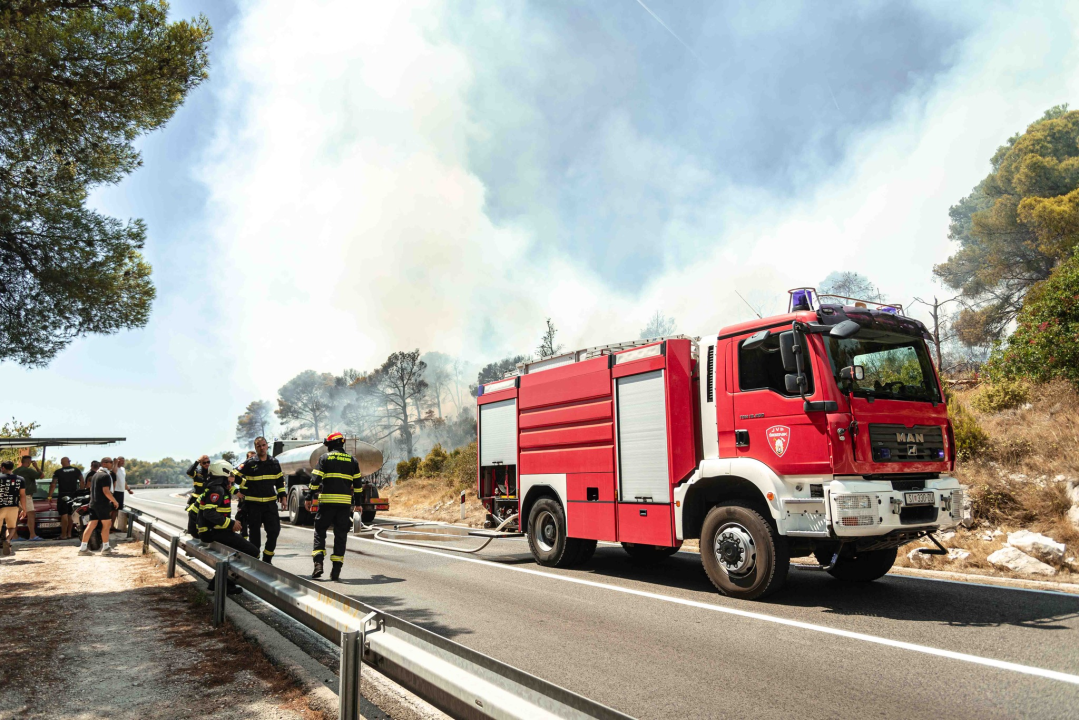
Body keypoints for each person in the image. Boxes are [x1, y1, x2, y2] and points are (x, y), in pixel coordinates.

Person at [196, 460, 258, 595]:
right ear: (223, 473)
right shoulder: (217, 490)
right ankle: (227, 584)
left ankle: (217, 584)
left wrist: (230, 525)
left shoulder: (216, 487)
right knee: (252, 551)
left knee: (237, 551)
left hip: (214, 531)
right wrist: (231, 524)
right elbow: (209, 513)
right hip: (213, 532)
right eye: (230, 474)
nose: (232, 477)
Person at [309, 432, 363, 581]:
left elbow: (315, 479)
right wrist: (358, 504)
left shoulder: (324, 458)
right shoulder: (352, 460)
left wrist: (309, 497)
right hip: (344, 505)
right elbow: (358, 486)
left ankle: (318, 564)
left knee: (320, 532)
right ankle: (336, 570)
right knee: (341, 536)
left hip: (326, 504)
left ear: (331, 444)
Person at [234, 436, 285, 564]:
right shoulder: (249, 463)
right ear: (255, 448)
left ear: (267, 446)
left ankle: (267, 560)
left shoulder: (274, 462)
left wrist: (283, 497)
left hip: (270, 505)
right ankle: (255, 561)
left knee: (274, 531)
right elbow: (234, 475)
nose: (262, 448)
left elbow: (279, 481)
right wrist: (242, 486)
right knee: (254, 535)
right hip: (253, 505)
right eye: (259, 446)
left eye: (263, 445)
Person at [78, 457, 119, 555]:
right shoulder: (105, 476)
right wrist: (114, 501)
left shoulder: (95, 475)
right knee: (106, 525)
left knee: (91, 525)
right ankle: (106, 548)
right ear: (104, 464)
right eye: (110, 462)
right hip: (102, 504)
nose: (112, 464)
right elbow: (106, 491)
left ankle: (83, 548)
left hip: (93, 503)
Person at [48, 457, 84, 540]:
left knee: (64, 514)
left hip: (63, 495)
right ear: (69, 461)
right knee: (71, 514)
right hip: (73, 494)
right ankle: (69, 534)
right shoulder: (76, 470)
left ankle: (63, 535)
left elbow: (53, 484)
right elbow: (82, 481)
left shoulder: (58, 472)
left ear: (61, 463)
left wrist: (50, 495)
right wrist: (80, 492)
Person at [14, 455, 42, 541]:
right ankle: (32, 535)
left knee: (16, 516)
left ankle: (14, 536)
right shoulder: (28, 470)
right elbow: (41, 475)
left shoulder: (15, 471)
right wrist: (36, 466)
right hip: (26, 495)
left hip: (16, 495)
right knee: (31, 514)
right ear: (29, 462)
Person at [0, 461, 26, 552]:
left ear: (3, 468)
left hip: (0, 507)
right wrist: (24, 509)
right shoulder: (20, 479)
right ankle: (7, 540)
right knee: (11, 527)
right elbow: (22, 495)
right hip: (13, 507)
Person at [185, 455, 211, 535]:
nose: (207, 464)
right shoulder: (196, 473)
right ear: (200, 464)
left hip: (206, 500)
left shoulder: (212, 473)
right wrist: (197, 461)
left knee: (205, 517)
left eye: (208, 462)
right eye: (204, 463)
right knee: (192, 516)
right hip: (195, 499)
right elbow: (189, 472)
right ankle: (193, 533)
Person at [110, 456, 132, 527]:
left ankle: (112, 526)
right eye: (121, 461)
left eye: (123, 461)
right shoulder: (113, 468)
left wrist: (128, 489)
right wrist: (115, 463)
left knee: (118, 510)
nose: (122, 463)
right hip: (115, 491)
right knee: (113, 510)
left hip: (121, 491)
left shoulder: (123, 469)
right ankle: (110, 526)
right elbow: (114, 473)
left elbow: (123, 480)